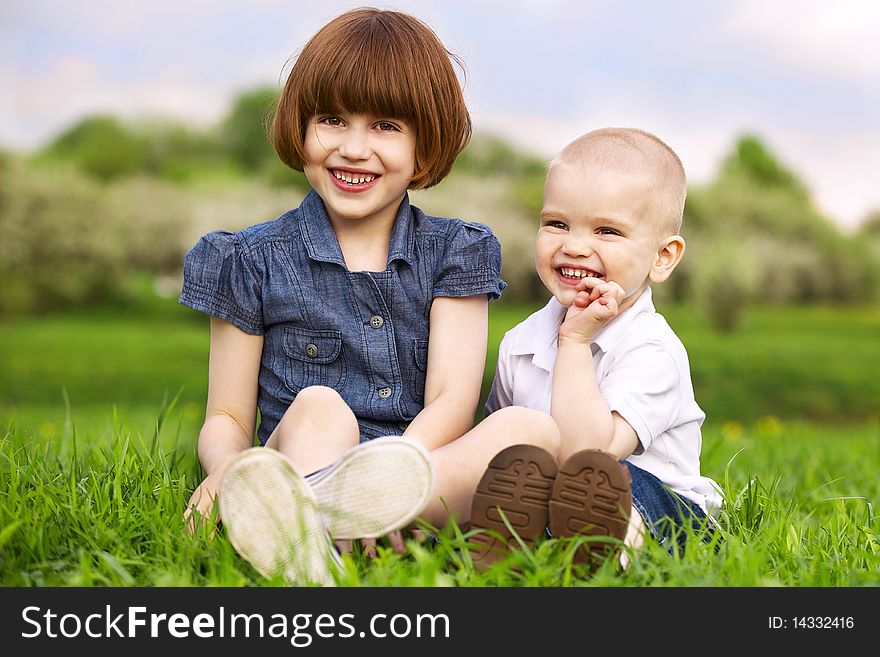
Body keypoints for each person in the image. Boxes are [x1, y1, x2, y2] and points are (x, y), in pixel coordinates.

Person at [180, 8, 559, 586]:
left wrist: (391, 484)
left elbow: (452, 403)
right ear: (300, 129)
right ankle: (304, 538)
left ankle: (340, 523)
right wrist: (227, 474)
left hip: (420, 474)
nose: (354, 148)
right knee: (320, 407)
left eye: (386, 126)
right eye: (332, 120)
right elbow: (227, 414)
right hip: (304, 456)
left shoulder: (456, 250)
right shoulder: (248, 259)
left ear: (423, 144)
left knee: (533, 431)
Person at [470, 127, 722, 570]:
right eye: (556, 224)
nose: (573, 245)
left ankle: (597, 551)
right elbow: (501, 444)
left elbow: (588, 453)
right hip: (556, 492)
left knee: (605, 484)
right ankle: (515, 542)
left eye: (607, 231)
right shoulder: (520, 343)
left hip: (660, 504)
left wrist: (575, 340)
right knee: (525, 473)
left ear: (662, 257)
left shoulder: (652, 350)